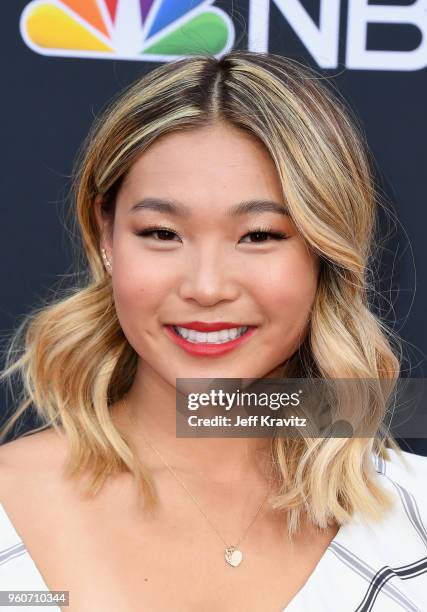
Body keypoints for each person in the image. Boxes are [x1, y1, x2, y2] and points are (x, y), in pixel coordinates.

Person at [0, 49, 426, 612]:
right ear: (105, 236)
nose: (206, 287)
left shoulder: (412, 512)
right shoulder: (10, 501)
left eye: (258, 236)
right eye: (161, 233)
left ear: (326, 251)